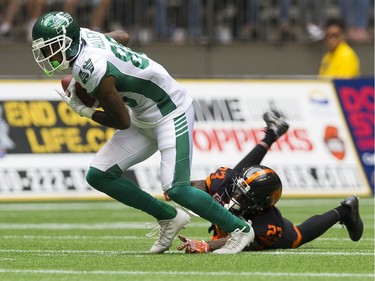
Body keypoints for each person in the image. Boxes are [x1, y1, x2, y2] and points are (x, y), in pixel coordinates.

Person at [30, 11, 255, 254]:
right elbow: (123, 36)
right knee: (99, 175)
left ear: (66, 41)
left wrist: (83, 110)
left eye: (50, 47)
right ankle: (169, 217)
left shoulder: (91, 68)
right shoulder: (85, 37)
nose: (45, 55)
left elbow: (121, 121)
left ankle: (240, 229)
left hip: (171, 111)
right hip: (144, 114)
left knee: (177, 189)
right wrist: (105, 49)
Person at [176, 119, 364, 253]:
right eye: (238, 190)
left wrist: (206, 245)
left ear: (259, 204)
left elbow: (238, 240)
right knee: (234, 174)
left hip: (270, 233)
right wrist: (183, 191)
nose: (236, 196)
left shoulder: (268, 224)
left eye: (244, 197)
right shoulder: (226, 182)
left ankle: (346, 209)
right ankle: (272, 134)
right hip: (236, 188)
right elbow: (200, 185)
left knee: (299, 235)